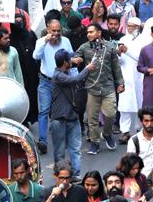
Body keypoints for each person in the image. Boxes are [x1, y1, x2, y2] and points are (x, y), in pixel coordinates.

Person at [73, 22, 123, 154]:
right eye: (88, 32)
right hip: (92, 88)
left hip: (108, 87)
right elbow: (75, 56)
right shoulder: (84, 47)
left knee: (111, 113)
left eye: (91, 32)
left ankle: (106, 134)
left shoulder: (110, 47)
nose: (88, 34)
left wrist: (120, 83)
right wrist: (76, 60)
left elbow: (116, 67)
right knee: (92, 118)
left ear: (99, 33)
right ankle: (95, 142)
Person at [33, 20, 73, 153]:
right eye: (53, 31)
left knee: (62, 111)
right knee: (44, 110)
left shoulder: (65, 41)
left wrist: (73, 78)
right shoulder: (41, 42)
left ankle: (63, 139)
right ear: (48, 30)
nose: (56, 34)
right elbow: (36, 56)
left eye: (58, 31)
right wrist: (45, 42)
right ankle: (43, 141)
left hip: (62, 81)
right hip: (46, 81)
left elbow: (70, 59)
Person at [49, 49, 91, 174]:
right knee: (60, 151)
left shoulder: (67, 71)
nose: (72, 61)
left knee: (75, 149)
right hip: (59, 118)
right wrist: (87, 68)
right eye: (70, 59)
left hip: (72, 116)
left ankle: (76, 175)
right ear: (65, 62)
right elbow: (75, 80)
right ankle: (61, 176)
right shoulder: (58, 76)